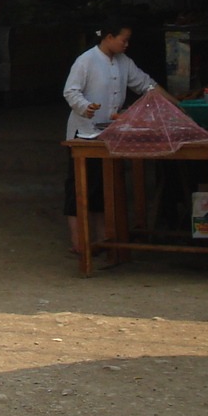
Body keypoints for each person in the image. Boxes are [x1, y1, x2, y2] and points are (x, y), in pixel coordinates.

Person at [61, 21, 157, 252]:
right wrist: (86, 107)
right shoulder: (86, 60)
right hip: (83, 134)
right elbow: (70, 91)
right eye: (123, 40)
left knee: (104, 187)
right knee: (80, 188)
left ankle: (105, 238)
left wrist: (176, 105)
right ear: (108, 37)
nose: (126, 44)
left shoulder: (124, 63)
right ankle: (79, 243)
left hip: (110, 134)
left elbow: (146, 85)